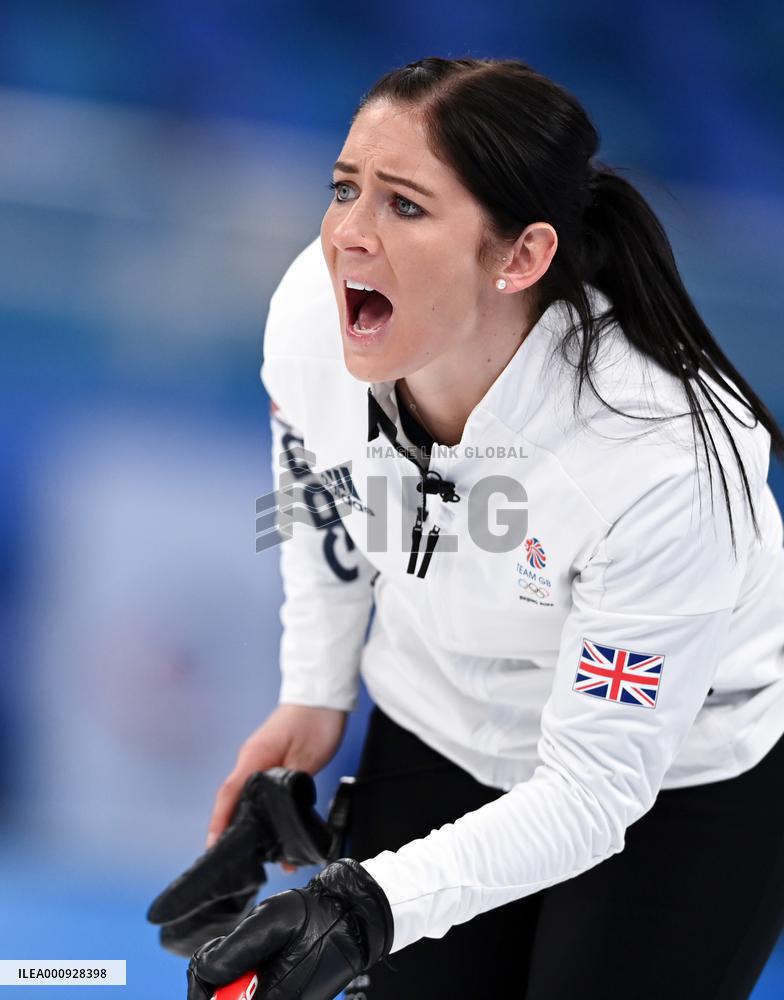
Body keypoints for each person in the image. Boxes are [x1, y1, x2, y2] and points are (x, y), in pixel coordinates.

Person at [187, 57, 784, 1000]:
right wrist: (313, 687)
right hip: (438, 723)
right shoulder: (311, 316)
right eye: (345, 189)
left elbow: (592, 792)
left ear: (520, 258)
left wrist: (363, 905)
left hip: (681, 785)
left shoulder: (659, 459)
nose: (347, 234)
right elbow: (313, 489)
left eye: (404, 205)